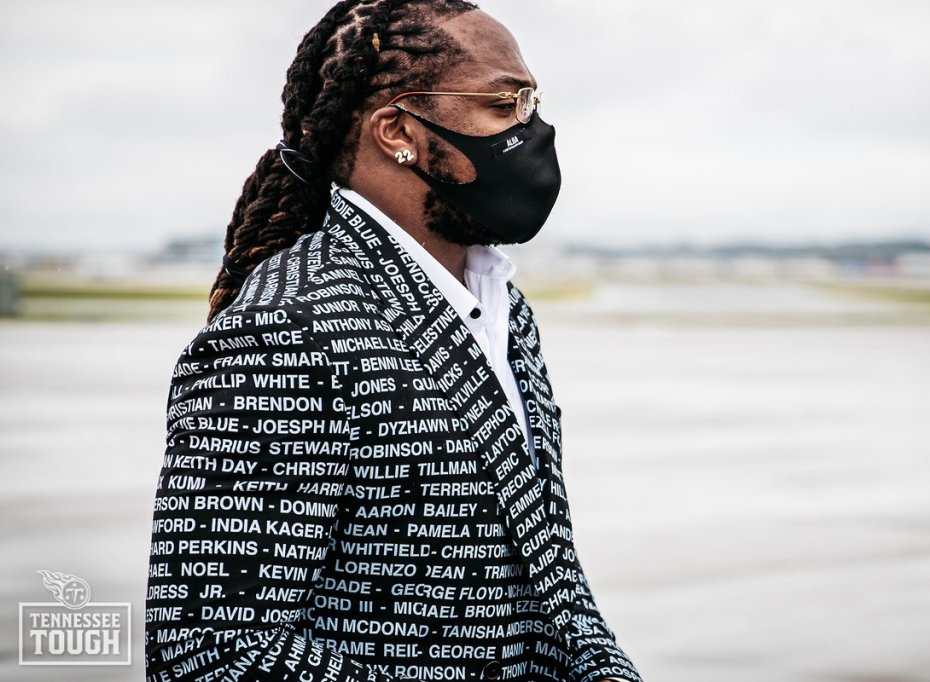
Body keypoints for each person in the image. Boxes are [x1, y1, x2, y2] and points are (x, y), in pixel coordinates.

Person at [145, 2, 643, 681]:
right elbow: (212, 654)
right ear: (398, 132)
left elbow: (554, 587)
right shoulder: (286, 330)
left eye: (533, 103)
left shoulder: (501, 307)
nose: (534, 129)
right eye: (505, 104)